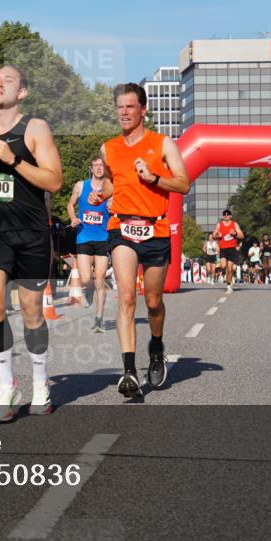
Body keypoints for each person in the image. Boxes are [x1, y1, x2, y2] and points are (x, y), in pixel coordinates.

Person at [0, 64, 62, 421]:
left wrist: (14, 159)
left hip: (31, 234)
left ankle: (40, 383)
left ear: (21, 93)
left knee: (33, 313)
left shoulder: (35, 129)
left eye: (7, 80)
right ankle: (6, 385)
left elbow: (54, 182)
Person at [96, 82, 190, 399]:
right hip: (121, 227)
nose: (123, 112)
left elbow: (183, 183)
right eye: (119, 107)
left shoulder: (163, 144)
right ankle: (129, 372)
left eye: (130, 107)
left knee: (152, 302)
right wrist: (101, 194)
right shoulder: (108, 148)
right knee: (125, 297)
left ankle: (156, 347)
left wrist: (154, 178)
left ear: (143, 110)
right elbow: (112, 185)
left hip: (156, 230)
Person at [67, 157, 112, 332]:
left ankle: (99, 318)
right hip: (84, 237)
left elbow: (116, 208)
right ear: (91, 168)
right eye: (96, 166)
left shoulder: (110, 189)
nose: (99, 168)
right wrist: (73, 218)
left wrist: (112, 207)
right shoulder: (81, 186)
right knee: (86, 279)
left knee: (100, 279)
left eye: (102, 166)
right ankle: (87, 290)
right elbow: (71, 204)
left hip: (102, 238)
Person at [212, 209, 244, 293]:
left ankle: (229, 285)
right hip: (223, 248)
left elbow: (242, 236)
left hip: (232, 248)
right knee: (222, 266)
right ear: (223, 216)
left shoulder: (234, 224)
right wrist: (217, 235)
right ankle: (224, 274)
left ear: (230, 216)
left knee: (230, 269)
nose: (226, 216)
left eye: (228, 214)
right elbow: (213, 235)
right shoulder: (219, 225)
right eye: (224, 214)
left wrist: (235, 234)